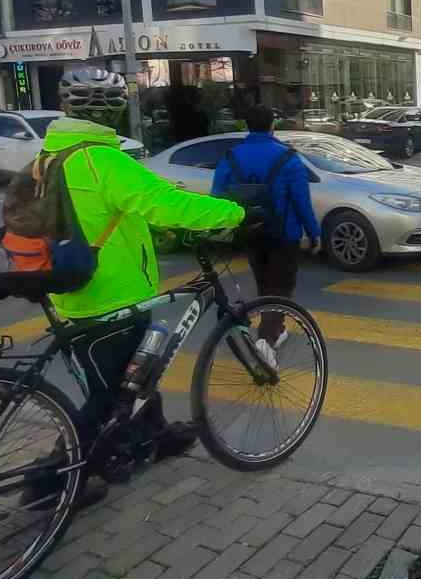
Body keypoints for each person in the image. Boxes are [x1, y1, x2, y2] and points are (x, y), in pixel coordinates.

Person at [36, 116, 247, 503]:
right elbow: (165, 203)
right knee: (107, 395)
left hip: (75, 288)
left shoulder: (49, 156)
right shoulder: (102, 160)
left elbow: (97, 213)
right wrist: (236, 213)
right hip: (110, 295)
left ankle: (157, 435)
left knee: (138, 371)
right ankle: (53, 484)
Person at [211, 105, 321, 345]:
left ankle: (274, 329)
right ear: (272, 125)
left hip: (250, 232)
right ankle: (267, 341)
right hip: (283, 235)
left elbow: (217, 195)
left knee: (263, 281)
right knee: (280, 288)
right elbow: (302, 202)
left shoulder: (230, 157)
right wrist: (314, 233)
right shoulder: (288, 158)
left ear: (247, 126)